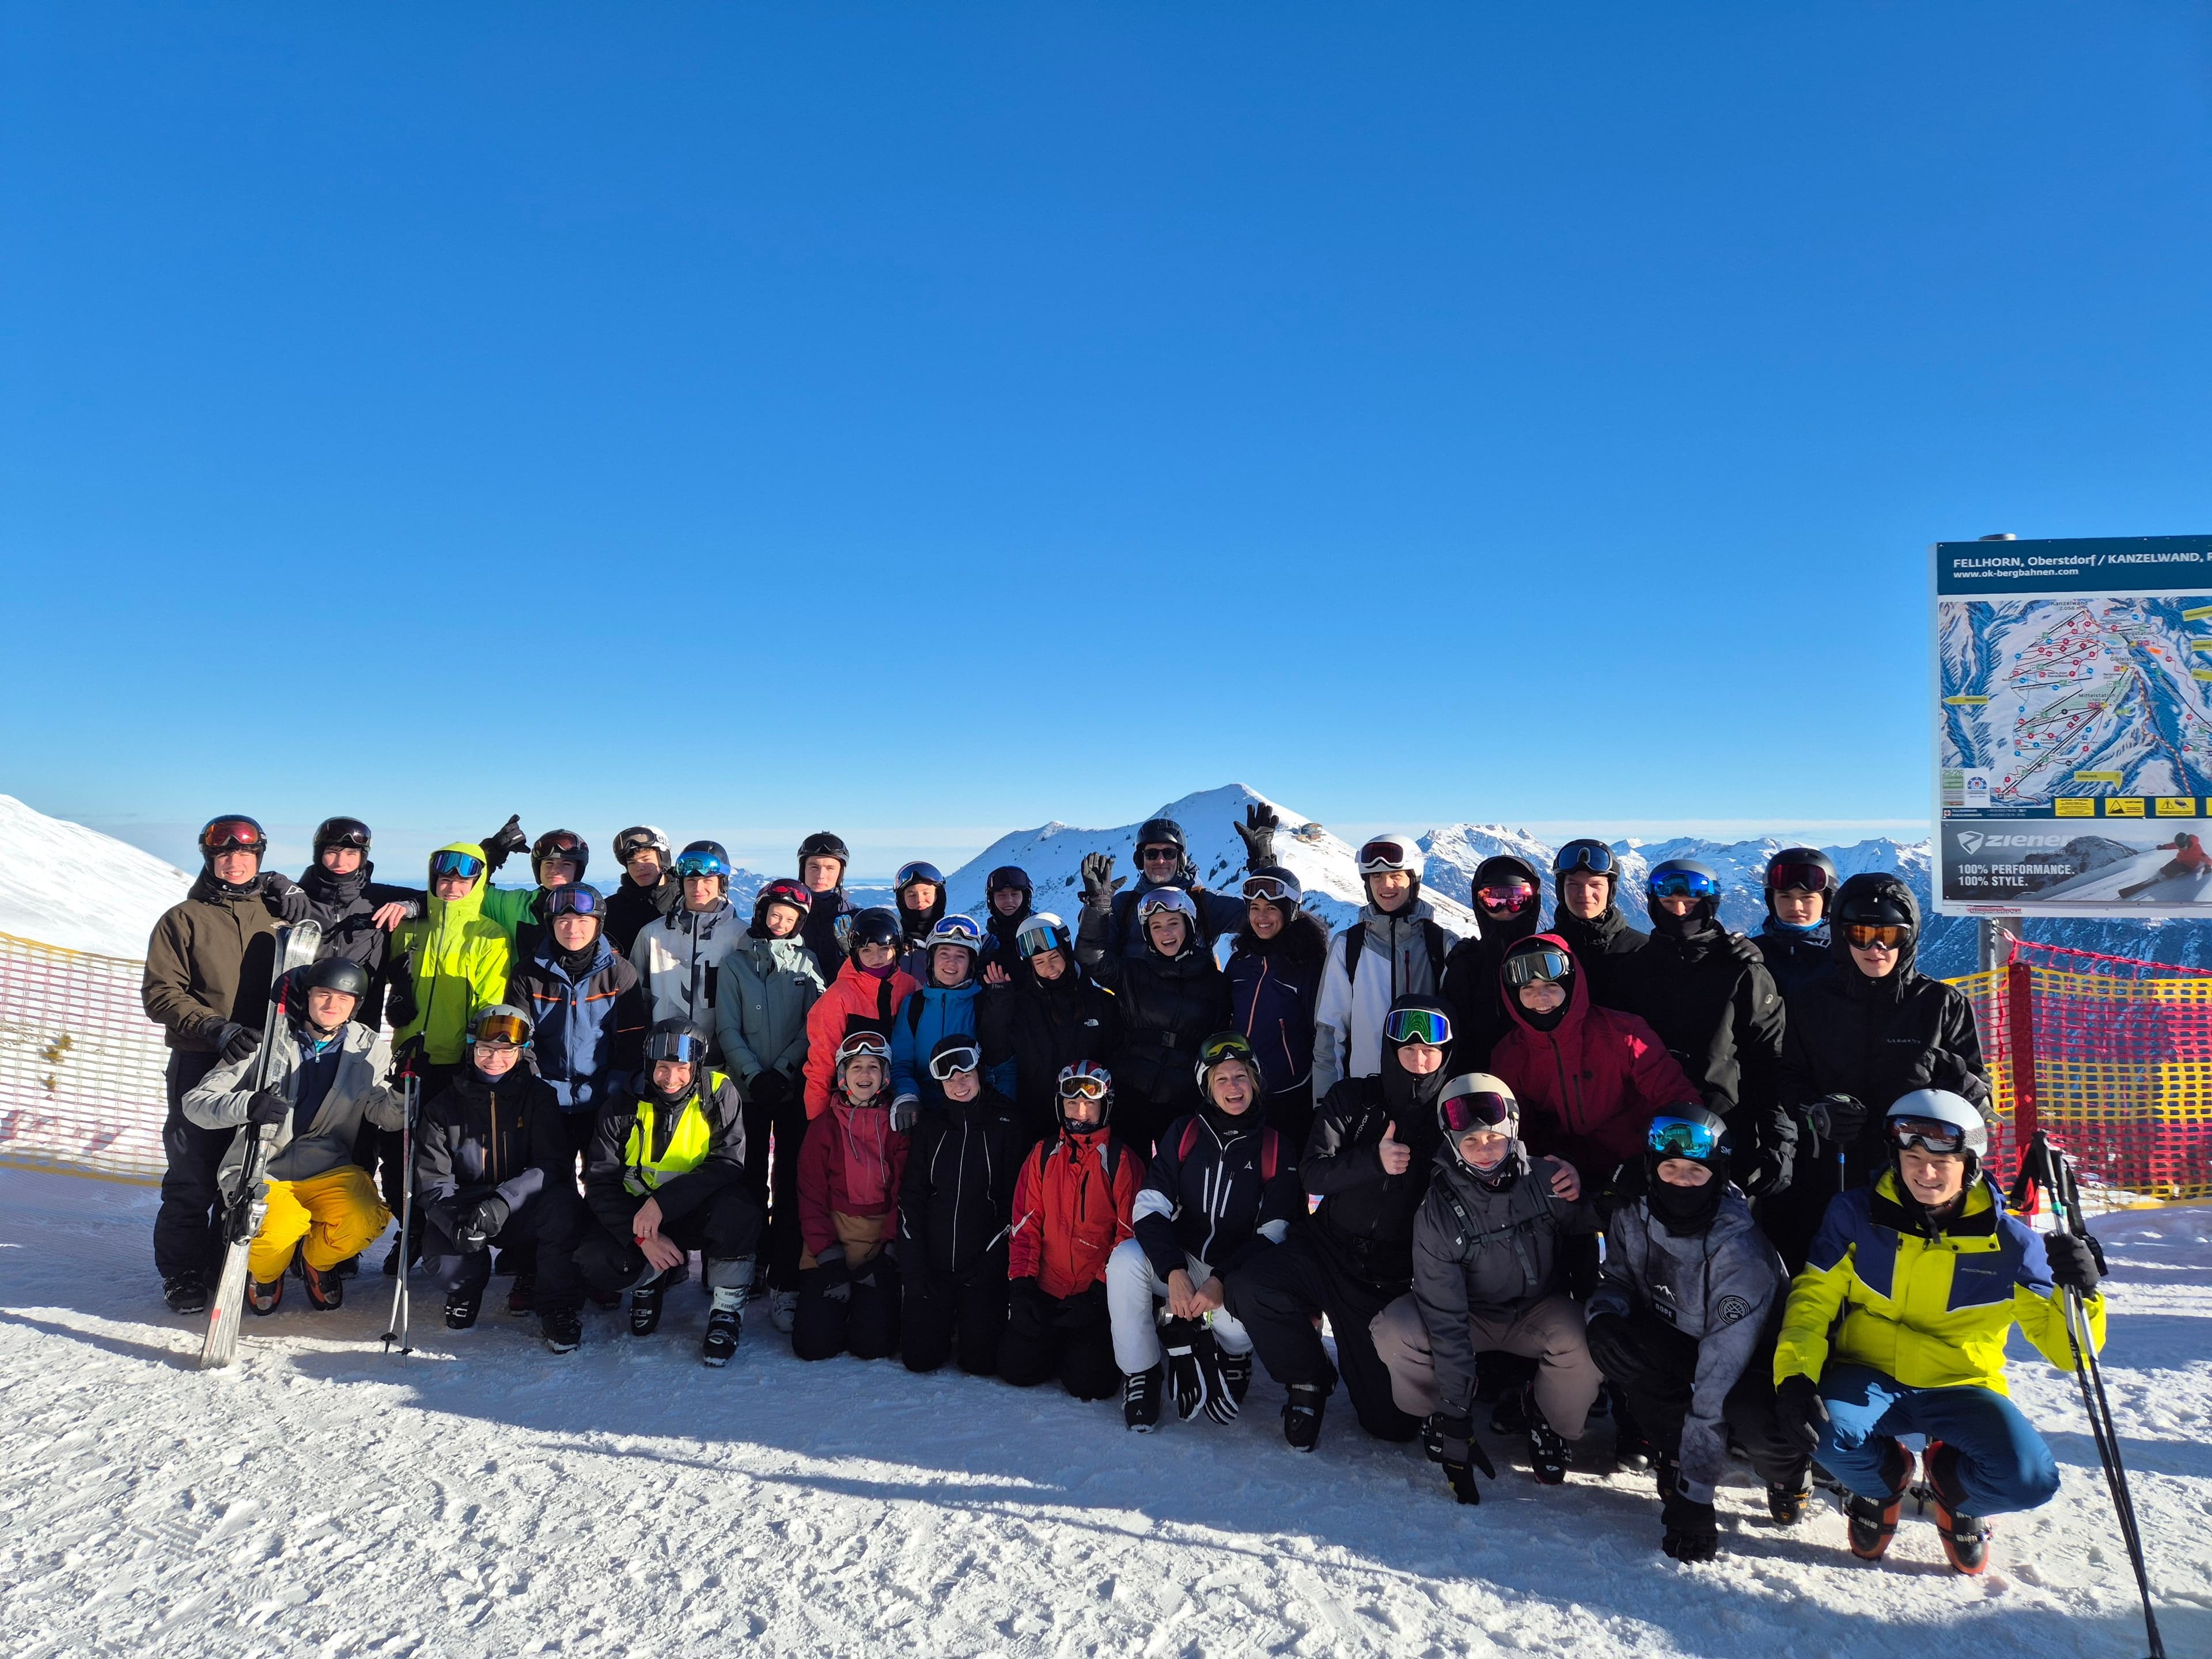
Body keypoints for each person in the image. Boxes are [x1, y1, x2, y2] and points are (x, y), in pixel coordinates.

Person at [1771, 1090, 2107, 1574]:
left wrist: (2083, 1294)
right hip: (1869, 1374)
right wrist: (1796, 1377)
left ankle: (1956, 1491)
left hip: (1961, 1384)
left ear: (1969, 1164)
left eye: (1941, 1162)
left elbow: (2068, 1353)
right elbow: (1812, 1301)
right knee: (1820, 1433)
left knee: (2029, 1480)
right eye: (1912, 1158)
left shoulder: (2012, 1243)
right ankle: (1881, 1484)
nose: (1925, 1173)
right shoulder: (1855, 1215)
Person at [1583, 1107, 1810, 1562]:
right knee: (1626, 1349)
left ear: (1717, 1174)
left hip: (1752, 1361)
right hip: (1681, 1334)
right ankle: (1673, 1448)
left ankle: (1788, 1472)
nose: (1681, 1181)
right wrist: (1602, 1316)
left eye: (1695, 1171)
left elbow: (1718, 1377)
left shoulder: (1740, 1252)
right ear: (1652, 1170)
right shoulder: (1634, 1213)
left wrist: (1696, 1496)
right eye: (1669, 1169)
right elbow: (1618, 1280)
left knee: (1746, 1410)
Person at [1228, 996, 1452, 1450]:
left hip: (1386, 1280)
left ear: (1446, 1056)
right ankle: (1307, 1377)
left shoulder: (1451, 1118)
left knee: (1390, 1425)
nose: (1418, 1060)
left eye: (1430, 1052)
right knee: (1249, 1284)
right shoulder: (1353, 1098)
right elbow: (1313, 1171)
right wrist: (1373, 1160)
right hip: (1326, 1248)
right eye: (1407, 1050)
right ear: (1390, 1050)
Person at [1372, 1074, 1601, 1495]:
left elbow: (1595, 1221)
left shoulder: (1549, 1179)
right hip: (1469, 1315)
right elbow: (1444, 1317)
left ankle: (1546, 1417)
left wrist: (1594, 1187)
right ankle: (1438, 1411)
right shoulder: (1437, 1211)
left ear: (1513, 1131)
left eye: (1493, 1139)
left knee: (1588, 1338)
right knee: (1395, 1330)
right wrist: (1457, 1414)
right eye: (1470, 1142)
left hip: (1536, 1311)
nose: (1483, 1151)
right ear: (1451, 1142)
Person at [1770, 873, 1990, 1273]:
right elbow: (1788, 1078)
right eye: (1860, 934)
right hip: (1830, 1169)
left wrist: (1964, 1092)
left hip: (1917, 1172)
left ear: (1908, 938)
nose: (1875, 948)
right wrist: (1815, 1111)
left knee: (1902, 1280)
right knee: (1828, 1277)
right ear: (1841, 936)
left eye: (1889, 935)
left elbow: (1979, 1097)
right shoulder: (1812, 1004)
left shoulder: (1941, 1004)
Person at [180, 956, 403, 1314]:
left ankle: (319, 1262)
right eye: (324, 995)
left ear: (356, 1006)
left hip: (327, 1166)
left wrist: (405, 1093)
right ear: (308, 996)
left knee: (365, 1218)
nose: (332, 1006)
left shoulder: (368, 1047)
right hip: (261, 1166)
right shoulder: (266, 1041)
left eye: (344, 999)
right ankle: (265, 1273)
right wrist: (249, 1105)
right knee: (280, 1225)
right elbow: (196, 1104)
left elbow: (384, 1115)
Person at [142, 814, 299, 1311]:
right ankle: (184, 1271)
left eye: (246, 854)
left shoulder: (277, 919)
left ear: (259, 858)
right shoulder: (183, 919)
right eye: (224, 854)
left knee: (249, 1168)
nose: (235, 862)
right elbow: (161, 993)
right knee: (194, 1170)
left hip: (262, 1063)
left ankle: (224, 1262)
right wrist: (215, 1027)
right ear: (210, 859)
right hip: (200, 1061)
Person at [1108, 1034, 1299, 1431]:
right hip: (1186, 1258)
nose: (1233, 1087)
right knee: (1125, 1261)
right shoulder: (1185, 1132)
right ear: (1208, 1088)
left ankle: (1232, 1353)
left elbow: (1275, 1231)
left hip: (1238, 1274)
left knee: (1235, 1328)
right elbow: (1149, 1206)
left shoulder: (1276, 1147)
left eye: (1241, 1077)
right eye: (1222, 1079)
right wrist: (1174, 1271)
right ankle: (1143, 1371)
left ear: (1255, 1082)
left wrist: (1221, 1280)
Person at [573, 1020, 760, 1365]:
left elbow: (728, 1162)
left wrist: (663, 1203)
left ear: (697, 1067)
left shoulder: (718, 1093)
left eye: (682, 1069)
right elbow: (600, 1181)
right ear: (648, 1066)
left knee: (739, 1212)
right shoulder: (621, 1103)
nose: (670, 1080)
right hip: (638, 1216)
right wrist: (641, 1238)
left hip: (692, 1209)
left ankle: (726, 1310)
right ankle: (652, 1274)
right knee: (596, 1258)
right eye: (662, 1068)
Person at [1610, 859, 1794, 1203]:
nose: (1679, 911)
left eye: (1690, 903)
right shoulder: (1632, 972)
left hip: (1727, 1134)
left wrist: (1778, 1142)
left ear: (1709, 905)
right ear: (1653, 904)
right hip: (1652, 1140)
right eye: (1668, 902)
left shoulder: (1741, 971)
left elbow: (1771, 1061)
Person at [1487, 934, 1696, 1190]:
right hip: (1561, 1175)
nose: (1540, 998)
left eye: (1551, 987)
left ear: (1571, 983)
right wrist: (1550, 1165)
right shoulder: (1510, 1055)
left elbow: (1678, 1100)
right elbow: (1517, 1129)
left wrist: (1658, 1162)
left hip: (1639, 1168)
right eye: (1527, 990)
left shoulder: (1624, 1034)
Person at [713, 876, 828, 1334]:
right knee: (747, 1179)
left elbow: (812, 1024)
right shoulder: (735, 964)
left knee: (790, 1184)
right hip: (747, 1091)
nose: (781, 924)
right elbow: (727, 1027)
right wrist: (752, 1074)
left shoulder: (807, 962)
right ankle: (749, 1266)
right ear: (761, 914)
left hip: (791, 1088)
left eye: (791, 918)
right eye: (775, 915)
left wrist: (782, 1070)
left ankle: (785, 1277)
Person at [415, 1005, 574, 1329]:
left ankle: (555, 1303)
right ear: (472, 1046)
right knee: (446, 1263)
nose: (495, 1058)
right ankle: (466, 1290)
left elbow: (551, 1163)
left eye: (507, 1050)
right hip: (467, 1206)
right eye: (486, 1049)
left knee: (564, 1210)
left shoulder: (539, 1096)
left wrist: (504, 1201)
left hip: (519, 1206)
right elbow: (432, 1179)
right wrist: (451, 1222)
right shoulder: (442, 1106)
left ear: (522, 1052)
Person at [999, 1061, 1146, 1401]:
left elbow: (1129, 1236)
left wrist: (1098, 1295)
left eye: (1089, 1104)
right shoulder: (1042, 1155)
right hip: (1047, 1289)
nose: (1080, 1112)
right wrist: (1022, 1287)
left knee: (1092, 1384)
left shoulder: (1122, 1162)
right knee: (1016, 1368)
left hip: (1093, 1295)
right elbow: (1025, 1225)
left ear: (1105, 1106)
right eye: (1071, 1103)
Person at [897, 1038, 1022, 1376]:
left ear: (979, 1069)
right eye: (947, 1076)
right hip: (934, 1268)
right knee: (919, 1360)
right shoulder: (931, 1127)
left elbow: (1015, 1206)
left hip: (981, 1269)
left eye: (965, 1071)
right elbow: (912, 1198)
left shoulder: (1006, 1124)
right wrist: (915, 1269)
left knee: (980, 1363)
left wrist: (988, 1270)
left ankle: (969, 1317)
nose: (958, 1081)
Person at [1075, 887, 1233, 1157]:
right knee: (1126, 1178)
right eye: (1156, 926)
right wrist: (1098, 908)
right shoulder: (1133, 972)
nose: (1166, 933)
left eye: (1174, 923)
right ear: (1147, 934)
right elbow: (1092, 958)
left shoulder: (1215, 983)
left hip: (1184, 1100)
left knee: (1179, 1185)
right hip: (1130, 1093)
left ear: (1190, 925)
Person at [506, 884, 648, 1179]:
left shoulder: (619, 972)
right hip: (546, 1096)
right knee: (549, 1180)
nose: (573, 929)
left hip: (602, 1096)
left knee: (604, 1180)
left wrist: (616, 1084)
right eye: (563, 921)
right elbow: (520, 1040)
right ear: (551, 925)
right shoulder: (528, 974)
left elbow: (632, 1036)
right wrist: (536, 1086)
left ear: (598, 925)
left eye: (584, 921)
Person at [1312, 833, 1460, 1099]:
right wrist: (1326, 1102)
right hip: (1363, 1096)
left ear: (1413, 881)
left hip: (1428, 1097)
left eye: (1396, 875)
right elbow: (1330, 1034)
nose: (1386, 884)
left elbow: (1459, 1031)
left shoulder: (1442, 945)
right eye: (1377, 876)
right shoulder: (1348, 946)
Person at [793, 1031, 910, 1362]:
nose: (865, 1075)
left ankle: (871, 1303)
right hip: (831, 1242)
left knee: (872, 1346)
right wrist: (826, 1255)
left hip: (878, 1244)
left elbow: (905, 1193)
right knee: (813, 1347)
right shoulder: (824, 1128)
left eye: (873, 1067)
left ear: (885, 1076)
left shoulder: (897, 1127)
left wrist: (889, 1252)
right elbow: (811, 1196)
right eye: (856, 1066)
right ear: (843, 1076)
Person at [978, 912, 1121, 1146]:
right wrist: (999, 999)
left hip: (1091, 1118)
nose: (1049, 967)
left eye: (1054, 957)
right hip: (1038, 1120)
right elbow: (996, 1050)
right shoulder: (1023, 1006)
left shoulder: (1099, 1001)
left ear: (1066, 951)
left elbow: (1116, 1054)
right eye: (1039, 962)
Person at [1078, 804, 1279, 959]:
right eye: (1151, 854)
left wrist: (1263, 865)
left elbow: (1264, 920)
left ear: (1181, 859)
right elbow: (1095, 955)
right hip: (1136, 1010)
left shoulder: (1206, 902)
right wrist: (1097, 906)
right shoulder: (1123, 906)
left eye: (1169, 853)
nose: (1160, 860)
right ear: (1140, 860)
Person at [1223, 866, 1330, 1148]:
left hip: (1289, 1092)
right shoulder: (1241, 960)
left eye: (1271, 908)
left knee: (1284, 1174)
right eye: (1255, 908)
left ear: (1290, 911)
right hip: (1240, 1090)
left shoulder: (1307, 965)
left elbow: (1321, 1032)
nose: (1261, 917)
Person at [291, 816, 418, 1019]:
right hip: (300, 1018)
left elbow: (439, 899)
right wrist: (273, 880)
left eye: (352, 853)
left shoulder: (379, 898)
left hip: (360, 1021)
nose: (341, 862)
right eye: (332, 852)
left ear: (363, 857)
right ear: (319, 854)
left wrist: (408, 906)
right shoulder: (296, 898)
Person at [891, 914, 1010, 1124]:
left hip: (974, 1116)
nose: (951, 963)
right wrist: (907, 1095)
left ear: (971, 964)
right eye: (944, 953)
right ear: (932, 960)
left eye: (961, 956)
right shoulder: (914, 1005)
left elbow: (1002, 1066)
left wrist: (1002, 1112)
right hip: (923, 1115)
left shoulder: (983, 1003)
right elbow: (901, 1063)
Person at [802, 907, 921, 1119]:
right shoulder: (839, 996)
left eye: (884, 948)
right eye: (867, 950)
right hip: (851, 1107)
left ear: (897, 949)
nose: (877, 957)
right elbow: (821, 1067)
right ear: (856, 953)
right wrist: (818, 1123)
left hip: (901, 1101)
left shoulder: (909, 987)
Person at [630, 840, 747, 1053]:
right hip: (665, 1058)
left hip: (721, 1056)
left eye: (707, 880)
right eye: (691, 880)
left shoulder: (741, 936)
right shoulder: (653, 934)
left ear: (722, 882)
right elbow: (636, 997)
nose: (698, 888)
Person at [1437, 854, 1546, 1073]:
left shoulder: (1550, 962)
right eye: (1493, 900)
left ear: (1533, 902)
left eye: (1517, 899)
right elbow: (1452, 1046)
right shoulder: (1465, 969)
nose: (1505, 909)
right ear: (1479, 903)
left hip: (1541, 1090)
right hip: (1482, 1092)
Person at [1546, 839, 1647, 1011]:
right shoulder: (1543, 949)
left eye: (1595, 885)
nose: (1585, 893)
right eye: (1574, 884)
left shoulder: (1643, 951)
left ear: (1611, 890)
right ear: (1561, 890)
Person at [1752, 847, 1836, 1005]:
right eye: (1785, 896)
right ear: (1772, 900)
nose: (1796, 906)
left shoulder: (1847, 956)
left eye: (1807, 898)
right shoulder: (1753, 954)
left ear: (1827, 901)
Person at [605, 826, 680, 957]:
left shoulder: (686, 901)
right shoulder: (611, 910)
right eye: (632, 863)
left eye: (646, 859)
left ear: (663, 859)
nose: (639, 868)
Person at [794, 831, 858, 983]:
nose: (821, 875)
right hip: (794, 1002)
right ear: (803, 870)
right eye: (814, 867)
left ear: (840, 874)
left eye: (830, 868)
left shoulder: (854, 916)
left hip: (842, 1001)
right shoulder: (788, 913)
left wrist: (853, 954)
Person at [892, 860, 948, 978]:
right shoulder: (890, 942)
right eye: (912, 895)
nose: (919, 900)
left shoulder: (954, 940)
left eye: (926, 893)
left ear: (938, 896)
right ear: (902, 901)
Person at [976, 865, 1034, 979]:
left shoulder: (1042, 934)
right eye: (1001, 895)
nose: (1009, 900)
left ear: (1026, 898)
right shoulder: (984, 946)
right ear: (991, 901)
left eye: (1015, 894)